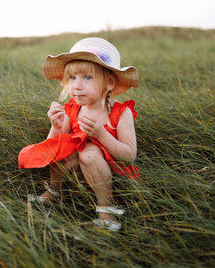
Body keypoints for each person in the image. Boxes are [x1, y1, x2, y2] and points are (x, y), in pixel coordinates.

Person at [18, 37, 139, 231]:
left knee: (89, 151)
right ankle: (55, 190)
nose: (77, 85)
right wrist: (56, 126)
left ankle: (106, 208)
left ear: (108, 82)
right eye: (72, 78)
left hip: (108, 170)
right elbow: (52, 148)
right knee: (65, 144)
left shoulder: (119, 113)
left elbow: (129, 156)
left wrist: (102, 135)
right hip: (76, 169)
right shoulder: (72, 109)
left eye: (87, 78)